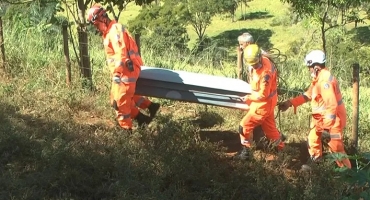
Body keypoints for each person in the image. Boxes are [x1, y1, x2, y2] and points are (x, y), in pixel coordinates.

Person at [87, 4, 160, 131]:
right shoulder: (110, 31)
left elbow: (121, 52)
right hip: (123, 72)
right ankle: (146, 113)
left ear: (102, 19)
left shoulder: (114, 30)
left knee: (121, 102)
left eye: (96, 25)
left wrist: (117, 73)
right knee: (116, 99)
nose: (96, 28)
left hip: (125, 72)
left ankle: (126, 132)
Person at [278, 50, 351, 170]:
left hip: (332, 122)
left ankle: (348, 176)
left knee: (336, 149)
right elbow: (308, 95)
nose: (309, 70)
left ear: (316, 67)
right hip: (321, 121)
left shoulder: (324, 82)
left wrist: (327, 127)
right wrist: (290, 103)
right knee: (313, 140)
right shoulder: (318, 79)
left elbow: (332, 106)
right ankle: (316, 165)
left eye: (310, 67)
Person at [234, 44, 285, 160]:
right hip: (268, 103)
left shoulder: (265, 73)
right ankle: (282, 150)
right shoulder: (261, 60)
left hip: (263, 105)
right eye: (252, 64)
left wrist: (249, 98)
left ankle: (246, 152)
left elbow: (263, 94)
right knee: (270, 130)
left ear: (260, 58)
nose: (255, 66)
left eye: (256, 64)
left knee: (244, 126)